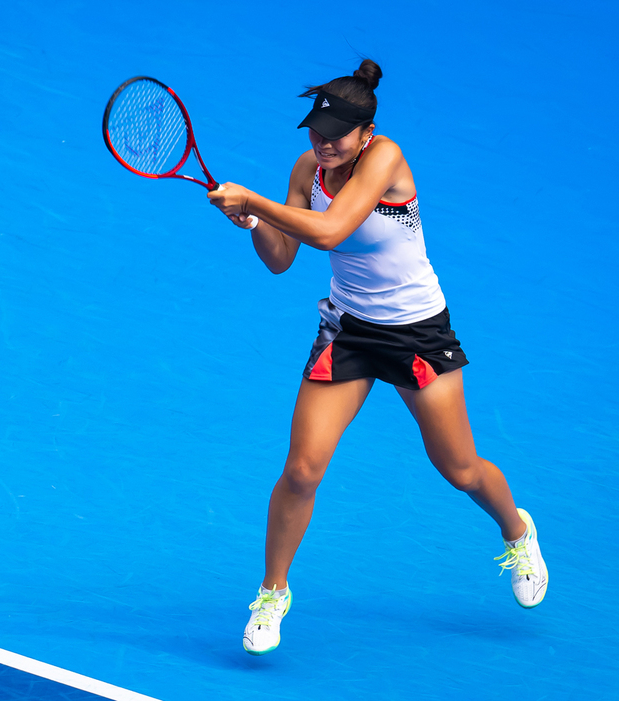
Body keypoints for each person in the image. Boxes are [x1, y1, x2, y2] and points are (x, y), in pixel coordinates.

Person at [207, 59, 548, 656]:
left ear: (365, 134)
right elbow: (282, 257)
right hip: (349, 331)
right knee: (302, 469)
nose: (323, 145)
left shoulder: (386, 158)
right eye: (315, 134)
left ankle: (518, 530)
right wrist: (254, 221)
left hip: (417, 332)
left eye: (335, 136)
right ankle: (272, 591)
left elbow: (333, 231)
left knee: (459, 468)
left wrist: (255, 198)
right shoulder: (308, 166)